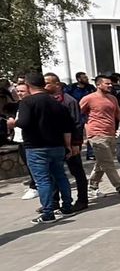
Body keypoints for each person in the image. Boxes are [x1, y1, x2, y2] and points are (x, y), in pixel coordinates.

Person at [12, 73, 75, 223]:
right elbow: (67, 127)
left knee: (42, 180)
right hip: (57, 145)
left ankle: (48, 213)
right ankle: (67, 206)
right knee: (60, 176)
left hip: (36, 147)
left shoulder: (27, 102)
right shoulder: (56, 102)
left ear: (28, 86)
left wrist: (13, 122)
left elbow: (24, 122)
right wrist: (68, 146)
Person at [79, 75, 120, 199]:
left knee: (102, 162)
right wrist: (84, 130)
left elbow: (119, 114)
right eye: (107, 84)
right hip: (96, 135)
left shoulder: (112, 98)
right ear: (98, 85)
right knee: (108, 163)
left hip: (110, 134)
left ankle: (92, 188)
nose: (110, 85)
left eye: (110, 83)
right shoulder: (88, 99)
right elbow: (77, 114)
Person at [44, 73, 88, 211]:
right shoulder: (46, 100)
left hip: (70, 143)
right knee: (53, 172)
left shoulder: (69, 101)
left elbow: (77, 124)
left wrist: (75, 144)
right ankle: (54, 201)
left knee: (76, 171)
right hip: (53, 143)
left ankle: (82, 200)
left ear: (57, 84)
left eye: (47, 83)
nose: (44, 86)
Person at [9, 82, 39, 200]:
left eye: (22, 91)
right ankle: (35, 184)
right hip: (20, 139)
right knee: (28, 164)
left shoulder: (32, 104)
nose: (19, 93)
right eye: (18, 91)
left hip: (31, 140)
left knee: (34, 165)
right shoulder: (19, 104)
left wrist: (15, 123)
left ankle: (35, 187)